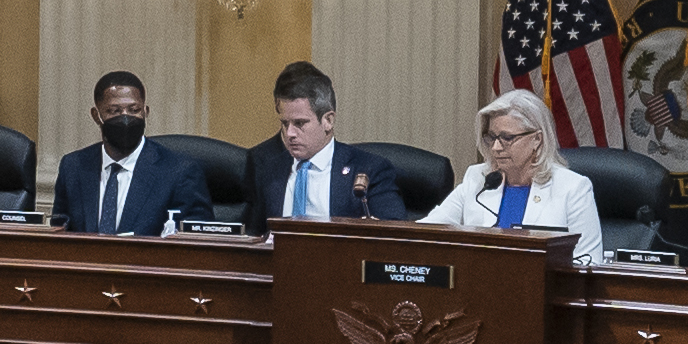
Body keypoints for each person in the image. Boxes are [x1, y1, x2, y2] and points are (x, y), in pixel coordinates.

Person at [421, 89, 602, 263]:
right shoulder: (478, 179)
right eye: (491, 137)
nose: (496, 148)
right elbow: (425, 232)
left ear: (537, 139)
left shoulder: (572, 188)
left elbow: (588, 261)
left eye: (507, 138)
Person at [240, 61, 405, 233]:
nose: (289, 133)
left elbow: (394, 237)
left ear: (328, 121)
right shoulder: (269, 170)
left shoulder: (369, 170)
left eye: (299, 123)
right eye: (285, 123)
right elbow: (252, 238)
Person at [51, 70, 212, 236]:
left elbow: (197, 242)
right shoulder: (73, 167)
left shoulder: (179, 171)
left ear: (145, 111)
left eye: (134, 110)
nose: (126, 118)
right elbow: (59, 233)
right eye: (114, 111)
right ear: (96, 115)